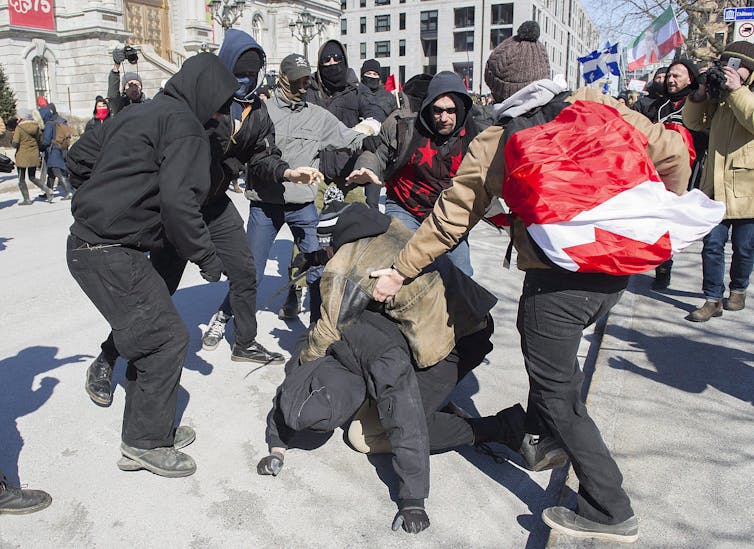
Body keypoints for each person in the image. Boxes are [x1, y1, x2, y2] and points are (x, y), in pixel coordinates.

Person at [370, 21, 691, 543]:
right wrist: (652, 220)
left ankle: (609, 507)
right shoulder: (596, 104)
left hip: (555, 286)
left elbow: (451, 219)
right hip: (614, 273)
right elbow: (674, 153)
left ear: (496, 92)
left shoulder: (497, 139)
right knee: (554, 371)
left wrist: (399, 269)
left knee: (558, 389)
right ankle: (541, 440)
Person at [84, 30, 320, 407]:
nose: (245, 81)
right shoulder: (202, 102)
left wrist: (287, 173)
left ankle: (244, 341)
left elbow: (262, 157)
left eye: (253, 75)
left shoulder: (257, 113)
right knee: (159, 289)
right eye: (239, 74)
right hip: (179, 206)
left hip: (215, 202)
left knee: (245, 271)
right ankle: (107, 356)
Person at [258, 203, 525, 534]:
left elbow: (319, 342)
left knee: (369, 434)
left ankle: (500, 428)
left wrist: (413, 500)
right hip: (470, 313)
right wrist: (279, 438)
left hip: (454, 342)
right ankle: (438, 399)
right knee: (382, 403)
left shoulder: (355, 312)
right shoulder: (387, 226)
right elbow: (353, 255)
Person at [65, 53, 238, 477]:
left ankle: (150, 427)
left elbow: (78, 160)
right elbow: (181, 205)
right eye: (219, 105)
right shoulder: (186, 129)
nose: (219, 115)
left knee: (151, 335)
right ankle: (144, 443)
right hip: (106, 252)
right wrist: (208, 257)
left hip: (94, 244)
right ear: (204, 95)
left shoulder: (138, 113)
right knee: (165, 338)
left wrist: (104, 199)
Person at [205, 53, 364, 324]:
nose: (304, 87)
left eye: (307, 81)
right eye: (298, 81)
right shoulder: (262, 111)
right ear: (284, 79)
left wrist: (378, 136)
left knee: (317, 269)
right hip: (265, 206)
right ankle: (223, 316)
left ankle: (317, 328)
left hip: (303, 207)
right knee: (251, 272)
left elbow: (349, 138)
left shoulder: (318, 116)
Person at [348, 71, 480, 276]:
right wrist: (366, 167)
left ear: (461, 109)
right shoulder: (403, 126)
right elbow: (377, 153)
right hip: (405, 206)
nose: (443, 118)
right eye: (437, 110)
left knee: (461, 273)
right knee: (398, 264)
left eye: (450, 111)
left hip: (448, 215)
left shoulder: (474, 137)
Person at [683, 41, 754, 321]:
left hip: (747, 186)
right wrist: (701, 94)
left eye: (737, 66)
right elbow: (695, 122)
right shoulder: (720, 95)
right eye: (727, 64)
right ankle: (712, 299)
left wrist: (738, 90)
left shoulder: (741, 94)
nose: (730, 71)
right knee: (712, 244)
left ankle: (738, 289)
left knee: (745, 247)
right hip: (715, 184)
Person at [633, 59, 708, 290]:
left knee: (674, 223)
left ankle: (665, 266)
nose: (671, 80)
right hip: (657, 172)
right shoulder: (659, 106)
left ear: (690, 79)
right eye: (669, 76)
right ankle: (656, 265)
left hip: (688, 173)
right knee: (657, 221)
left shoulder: (697, 104)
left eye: (677, 76)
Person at [12, 109, 54, 204]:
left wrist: (12, 142)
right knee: (32, 177)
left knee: (21, 178)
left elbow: (15, 143)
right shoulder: (36, 126)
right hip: (34, 154)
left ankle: (27, 199)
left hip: (22, 155)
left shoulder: (19, 127)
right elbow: (40, 139)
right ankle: (47, 190)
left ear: (22, 117)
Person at [40, 103, 73, 199]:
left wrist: (41, 146)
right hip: (56, 149)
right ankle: (48, 192)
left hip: (53, 151)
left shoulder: (49, 124)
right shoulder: (55, 122)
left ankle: (68, 192)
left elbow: (46, 140)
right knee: (51, 172)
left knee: (57, 171)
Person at [107, 45, 148, 115]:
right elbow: (113, 96)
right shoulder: (120, 106)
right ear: (124, 89)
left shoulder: (148, 105)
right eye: (130, 85)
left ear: (141, 87)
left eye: (137, 85)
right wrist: (116, 65)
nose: (134, 88)